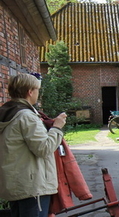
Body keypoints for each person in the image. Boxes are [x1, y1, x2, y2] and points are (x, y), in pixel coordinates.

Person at [0, 73, 67, 217]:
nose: (38, 93)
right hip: (32, 187)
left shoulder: (9, 113)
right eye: (37, 90)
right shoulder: (27, 116)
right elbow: (44, 149)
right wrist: (57, 128)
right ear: (30, 92)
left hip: (17, 184)